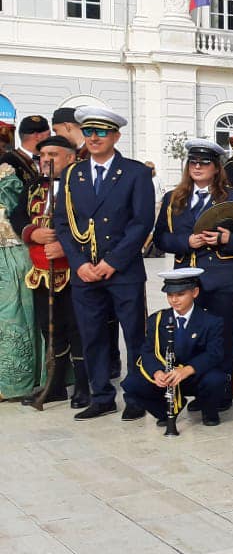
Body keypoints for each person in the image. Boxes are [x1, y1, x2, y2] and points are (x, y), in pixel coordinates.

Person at [54, 106, 155, 420]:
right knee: (93, 334)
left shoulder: (135, 172)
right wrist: (79, 263)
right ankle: (101, 396)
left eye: (101, 132)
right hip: (85, 270)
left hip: (122, 269)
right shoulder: (73, 173)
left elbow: (141, 222)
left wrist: (113, 261)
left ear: (116, 136)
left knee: (134, 335)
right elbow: (62, 223)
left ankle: (137, 395)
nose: (94, 138)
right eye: (88, 132)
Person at [152, 139, 233, 407]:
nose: (197, 167)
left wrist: (226, 240)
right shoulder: (173, 198)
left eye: (204, 163)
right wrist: (186, 242)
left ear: (216, 168)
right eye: (193, 162)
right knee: (190, 337)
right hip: (187, 279)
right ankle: (198, 391)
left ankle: (222, 394)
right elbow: (160, 238)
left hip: (224, 277)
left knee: (224, 336)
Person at [120, 268, 228, 428]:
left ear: (195, 292)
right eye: (170, 295)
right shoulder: (157, 320)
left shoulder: (211, 321)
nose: (174, 300)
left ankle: (209, 411)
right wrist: (157, 372)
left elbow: (214, 353)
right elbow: (148, 351)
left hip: (194, 375)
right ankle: (165, 412)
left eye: (180, 294)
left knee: (216, 379)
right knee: (131, 384)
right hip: (167, 375)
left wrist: (187, 370)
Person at [22, 135, 86, 405]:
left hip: (74, 271)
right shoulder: (35, 187)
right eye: (42, 156)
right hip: (41, 270)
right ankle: (55, 383)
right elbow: (18, 215)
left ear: (70, 157)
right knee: (49, 329)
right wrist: (32, 232)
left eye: (53, 155)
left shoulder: (84, 185)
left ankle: (85, 386)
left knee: (78, 328)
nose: (46, 160)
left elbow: (94, 224)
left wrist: (66, 247)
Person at [0, 145, 42, 400]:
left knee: (12, 315)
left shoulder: (6, 176)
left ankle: (13, 382)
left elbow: (15, 214)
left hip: (9, 253)